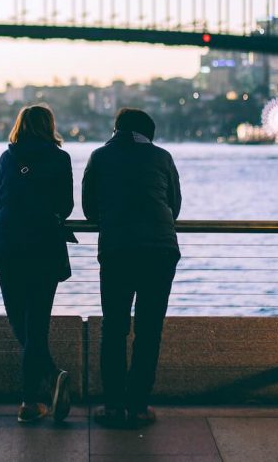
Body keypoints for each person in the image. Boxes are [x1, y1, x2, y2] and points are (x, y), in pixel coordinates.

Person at [82, 107, 181, 427]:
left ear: (117, 130)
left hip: (117, 250)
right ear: (148, 133)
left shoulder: (99, 157)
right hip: (160, 251)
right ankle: (138, 406)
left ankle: (113, 406)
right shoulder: (162, 157)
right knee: (149, 330)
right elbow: (174, 206)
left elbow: (88, 210)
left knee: (114, 329)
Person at [0, 104, 75, 424]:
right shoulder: (60, 158)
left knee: (18, 321)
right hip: (45, 248)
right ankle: (32, 398)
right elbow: (66, 205)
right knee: (37, 323)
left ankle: (39, 392)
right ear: (50, 126)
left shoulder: (8, 157)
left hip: (8, 246)